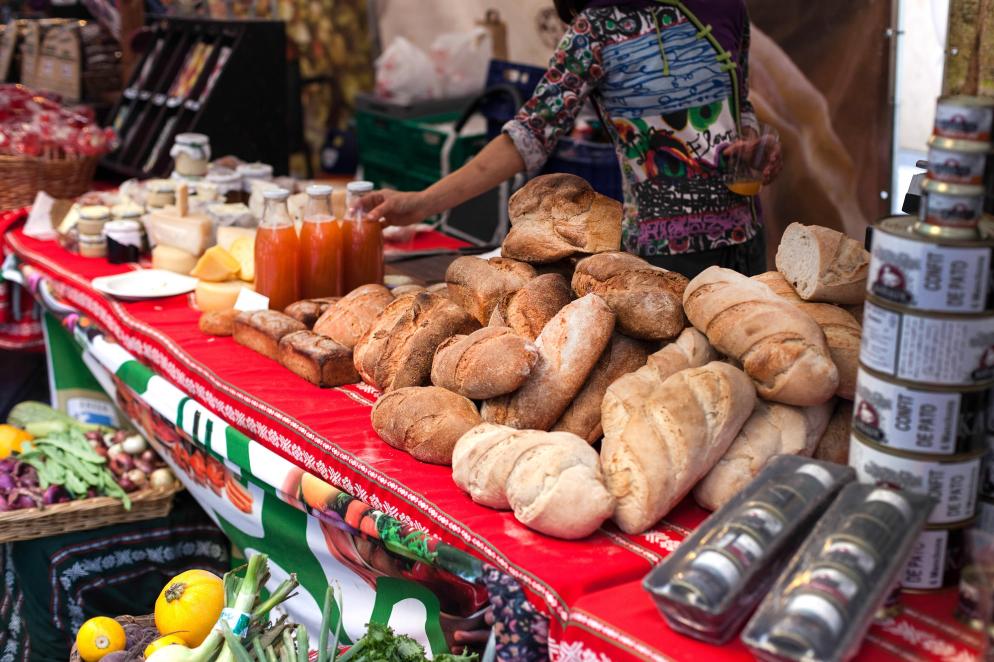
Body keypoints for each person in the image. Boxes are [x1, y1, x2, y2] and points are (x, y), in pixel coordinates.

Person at [364, 0, 782, 278]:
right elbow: (527, 135)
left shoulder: (726, 7)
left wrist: (754, 143)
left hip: (748, 238)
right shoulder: (594, 31)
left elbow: (739, 103)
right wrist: (421, 202)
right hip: (665, 260)